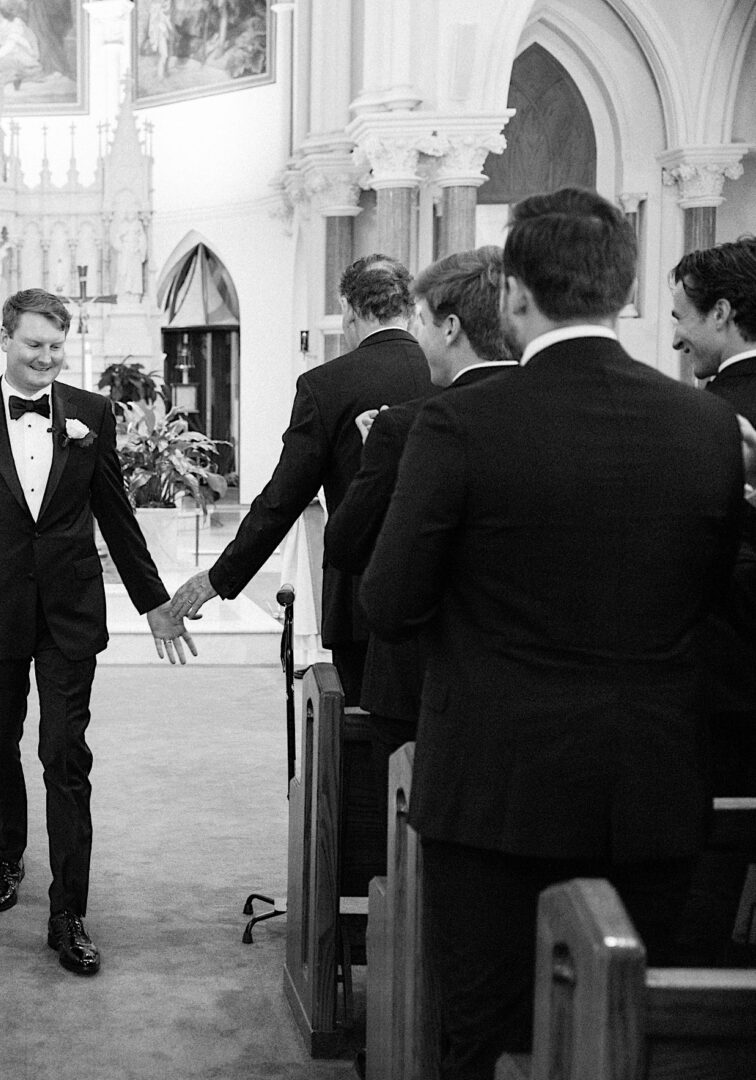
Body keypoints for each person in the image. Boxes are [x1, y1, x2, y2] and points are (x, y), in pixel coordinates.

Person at [360, 188, 747, 1079]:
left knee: (482, 1033)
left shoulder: (462, 421)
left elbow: (390, 603)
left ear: (514, 296)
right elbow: (710, 593)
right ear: (623, 289)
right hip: (650, 785)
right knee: (615, 1040)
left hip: (498, 784)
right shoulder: (707, 425)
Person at [0, 288, 194, 976]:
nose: (45, 357)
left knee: (66, 755)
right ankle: (8, 855)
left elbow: (116, 514)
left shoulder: (93, 415)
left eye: (55, 347)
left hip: (70, 611)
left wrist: (154, 601)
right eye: (34, 344)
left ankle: (69, 911)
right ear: (4, 340)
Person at [166, 255, 436, 707]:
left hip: (361, 596)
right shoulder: (446, 373)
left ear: (349, 308)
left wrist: (219, 577)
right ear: (408, 308)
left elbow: (283, 499)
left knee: (364, 734)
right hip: (442, 591)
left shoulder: (326, 384)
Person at [322, 246, 518, 764]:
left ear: (450, 328)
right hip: (529, 684)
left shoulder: (405, 427)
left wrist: (374, 466)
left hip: (422, 682)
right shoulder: (562, 415)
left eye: (424, 323)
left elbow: (354, 554)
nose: (419, 338)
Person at [666, 236, 756, 965]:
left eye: (683, 316)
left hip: (724, 677)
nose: (674, 334)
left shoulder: (708, 420)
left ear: (723, 312)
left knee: (708, 871)